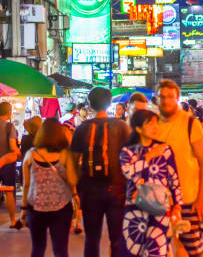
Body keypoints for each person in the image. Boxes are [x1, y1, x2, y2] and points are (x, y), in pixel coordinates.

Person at [70, 87, 131, 257]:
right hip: (117, 190)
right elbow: (131, 159)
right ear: (110, 103)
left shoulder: (82, 128)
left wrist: (76, 189)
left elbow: (72, 162)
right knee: (117, 239)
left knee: (92, 239)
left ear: (90, 104)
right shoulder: (121, 126)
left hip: (89, 192)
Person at [155, 79, 203, 257]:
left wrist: (201, 197)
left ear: (177, 98)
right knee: (176, 246)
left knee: (193, 247)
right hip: (162, 201)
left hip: (189, 199)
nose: (166, 100)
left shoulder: (190, 124)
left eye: (170, 97)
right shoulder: (153, 125)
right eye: (162, 96)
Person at [120, 109, 183, 257]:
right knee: (133, 250)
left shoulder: (165, 149)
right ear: (138, 128)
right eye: (150, 124)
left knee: (157, 250)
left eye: (156, 123)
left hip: (159, 209)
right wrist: (148, 157)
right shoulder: (127, 151)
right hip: (134, 210)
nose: (155, 127)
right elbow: (127, 171)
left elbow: (174, 179)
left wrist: (178, 206)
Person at [21, 118, 78, 257]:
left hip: (35, 208)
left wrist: (23, 209)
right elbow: (72, 181)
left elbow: (26, 185)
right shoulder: (64, 155)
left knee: (38, 249)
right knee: (60, 250)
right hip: (61, 208)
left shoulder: (30, 155)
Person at [0, 102, 21, 229]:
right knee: (9, 192)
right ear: (9, 112)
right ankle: (13, 220)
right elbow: (13, 146)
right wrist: (18, 153)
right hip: (7, 163)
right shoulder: (9, 127)